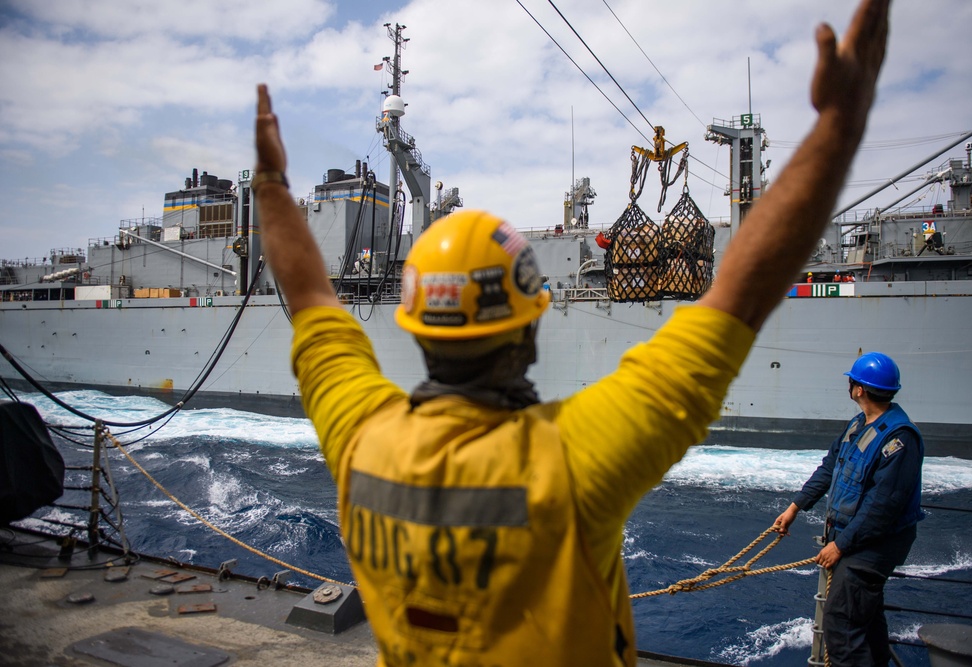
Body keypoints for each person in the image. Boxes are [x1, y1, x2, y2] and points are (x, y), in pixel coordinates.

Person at [253, 0, 891, 663]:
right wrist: (841, 124)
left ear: (414, 327)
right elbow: (739, 290)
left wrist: (269, 183)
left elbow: (306, 295)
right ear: (531, 326)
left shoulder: (362, 444)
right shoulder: (571, 462)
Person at [773, 352, 923, 666]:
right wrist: (795, 507)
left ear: (859, 390)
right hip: (856, 539)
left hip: (871, 546)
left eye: (852, 381)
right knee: (865, 623)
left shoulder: (899, 439)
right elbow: (830, 468)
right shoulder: (859, 425)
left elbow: (883, 507)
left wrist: (840, 546)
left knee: (841, 627)